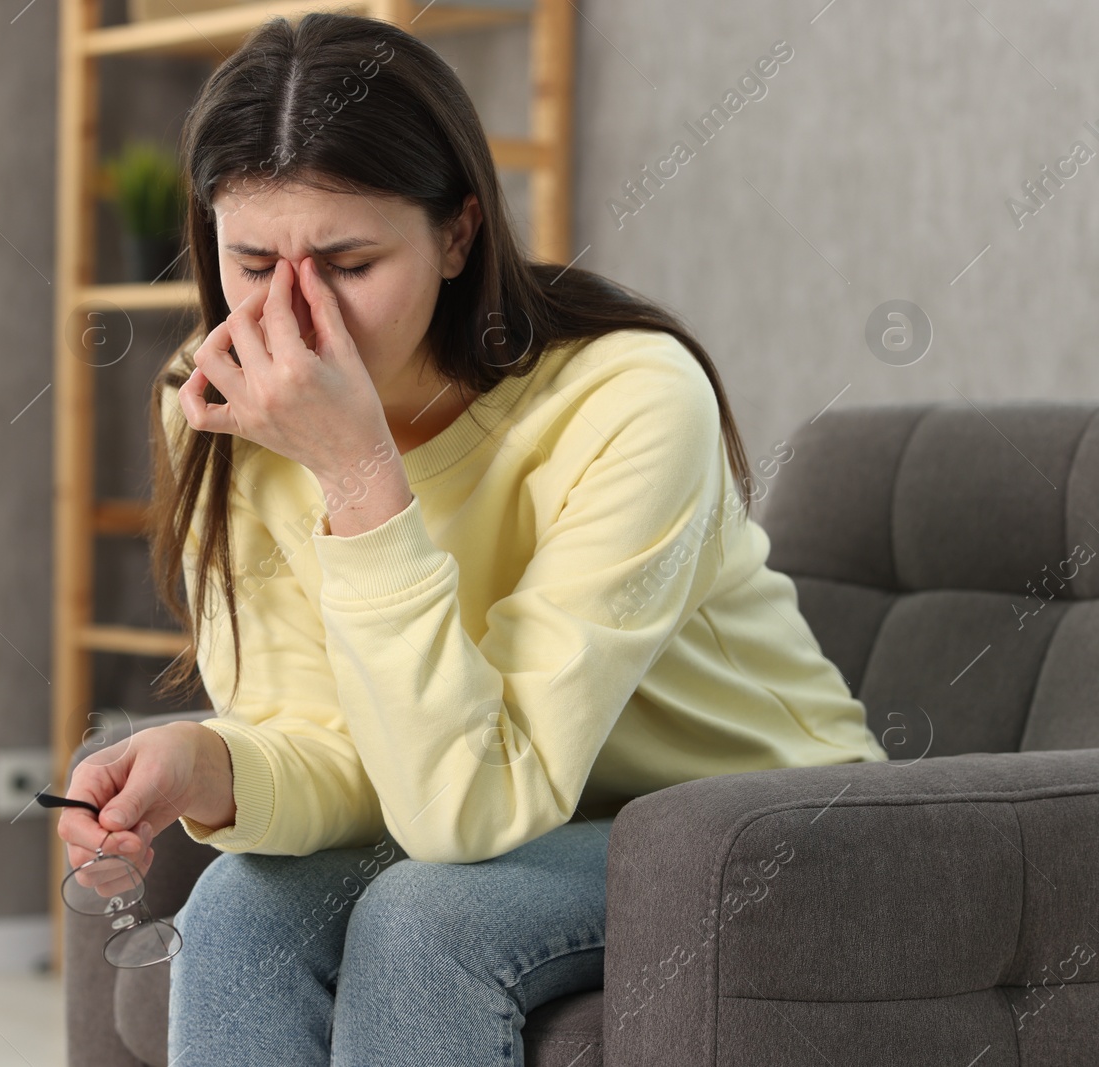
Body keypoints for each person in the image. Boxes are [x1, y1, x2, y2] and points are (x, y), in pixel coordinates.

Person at [55, 11, 888, 1065]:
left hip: (752, 824)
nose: (296, 318)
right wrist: (203, 760)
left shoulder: (627, 400)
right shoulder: (214, 405)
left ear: (457, 234)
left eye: (350, 262)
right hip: (520, 823)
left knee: (427, 916)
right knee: (238, 906)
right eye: (253, 261)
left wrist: (358, 475)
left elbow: (465, 812)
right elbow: (348, 749)